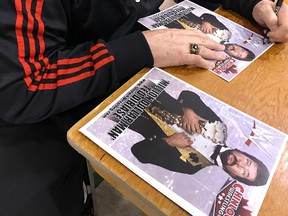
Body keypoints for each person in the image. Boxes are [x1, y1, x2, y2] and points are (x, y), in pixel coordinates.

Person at [0, 0, 286, 215]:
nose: (240, 165)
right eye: (247, 165)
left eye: (243, 170)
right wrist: (140, 49)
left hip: (141, 58)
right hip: (58, 89)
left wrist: (255, 4)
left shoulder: (211, 152)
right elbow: (22, 90)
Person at [130, 90, 269, 186]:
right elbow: (188, 95)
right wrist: (188, 110)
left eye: (244, 172)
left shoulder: (190, 166)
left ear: (235, 176)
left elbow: (139, 153)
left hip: (130, 113)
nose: (240, 163)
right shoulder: (219, 129)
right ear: (244, 153)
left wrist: (168, 142)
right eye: (247, 161)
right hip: (150, 88)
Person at [166, 12, 232, 43]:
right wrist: (206, 22)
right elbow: (208, 15)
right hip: (183, 15)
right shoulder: (225, 31)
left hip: (174, 26)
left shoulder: (211, 43)